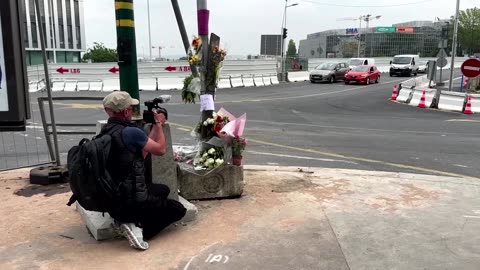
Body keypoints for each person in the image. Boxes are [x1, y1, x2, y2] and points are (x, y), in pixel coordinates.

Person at [101, 91, 186, 251]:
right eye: (131, 109)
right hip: (132, 199)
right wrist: (159, 124)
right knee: (178, 209)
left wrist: (154, 126)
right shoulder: (130, 132)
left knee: (163, 190)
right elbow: (160, 149)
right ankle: (138, 228)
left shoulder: (107, 131)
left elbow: (143, 152)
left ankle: (123, 219)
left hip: (115, 199)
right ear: (126, 112)